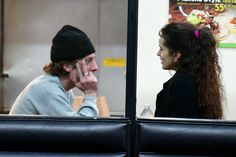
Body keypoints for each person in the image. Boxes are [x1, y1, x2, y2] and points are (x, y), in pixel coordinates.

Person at [9, 25, 99, 117]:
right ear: (67, 66)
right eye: (88, 61)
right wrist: (90, 93)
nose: (95, 67)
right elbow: (82, 129)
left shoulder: (63, 89)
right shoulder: (48, 90)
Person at [155, 22, 224, 119]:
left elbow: (178, 130)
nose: (158, 54)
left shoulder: (181, 84)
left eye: (161, 49)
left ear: (177, 55)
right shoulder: (197, 79)